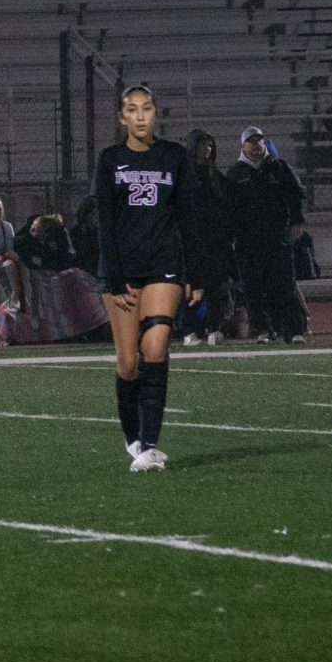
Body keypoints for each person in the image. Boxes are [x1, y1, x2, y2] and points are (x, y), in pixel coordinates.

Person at [93, 85, 204, 472]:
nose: (141, 116)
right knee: (128, 363)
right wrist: (114, 275)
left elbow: (189, 219)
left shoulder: (174, 157)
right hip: (122, 270)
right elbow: (104, 225)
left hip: (164, 265)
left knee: (155, 348)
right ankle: (134, 440)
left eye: (147, 108)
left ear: (155, 113)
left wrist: (195, 271)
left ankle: (151, 445)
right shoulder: (110, 160)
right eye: (132, 110)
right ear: (122, 117)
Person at [225, 125, 308, 344]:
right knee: (253, 288)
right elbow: (229, 208)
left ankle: (293, 330)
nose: (256, 147)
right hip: (248, 242)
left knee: (284, 285)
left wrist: (297, 222)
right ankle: (263, 329)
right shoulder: (235, 174)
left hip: (277, 238)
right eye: (251, 142)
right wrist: (231, 235)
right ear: (243, 145)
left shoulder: (279, 168)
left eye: (259, 141)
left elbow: (296, 196)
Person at [178, 129, 235, 346]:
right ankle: (189, 330)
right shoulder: (184, 175)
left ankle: (215, 328)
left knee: (216, 285)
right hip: (193, 239)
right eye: (203, 144)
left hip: (215, 241)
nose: (207, 149)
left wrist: (227, 234)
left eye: (210, 145)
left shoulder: (215, 176)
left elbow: (227, 207)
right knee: (191, 286)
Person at [69, 196, 100, 277]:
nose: (97, 217)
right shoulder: (76, 231)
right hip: (82, 273)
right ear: (86, 215)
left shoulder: (100, 232)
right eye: (93, 214)